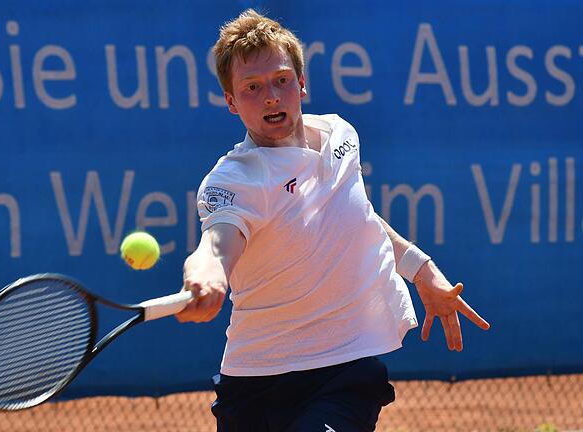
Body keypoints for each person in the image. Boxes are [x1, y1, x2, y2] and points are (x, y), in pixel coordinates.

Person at [174, 9, 491, 432]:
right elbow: (216, 243)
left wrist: (422, 270)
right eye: (252, 87)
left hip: (345, 368)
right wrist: (207, 276)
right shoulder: (235, 178)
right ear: (231, 102)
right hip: (255, 380)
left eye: (281, 80)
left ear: (301, 84)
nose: (271, 95)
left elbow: (357, 218)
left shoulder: (342, 135)